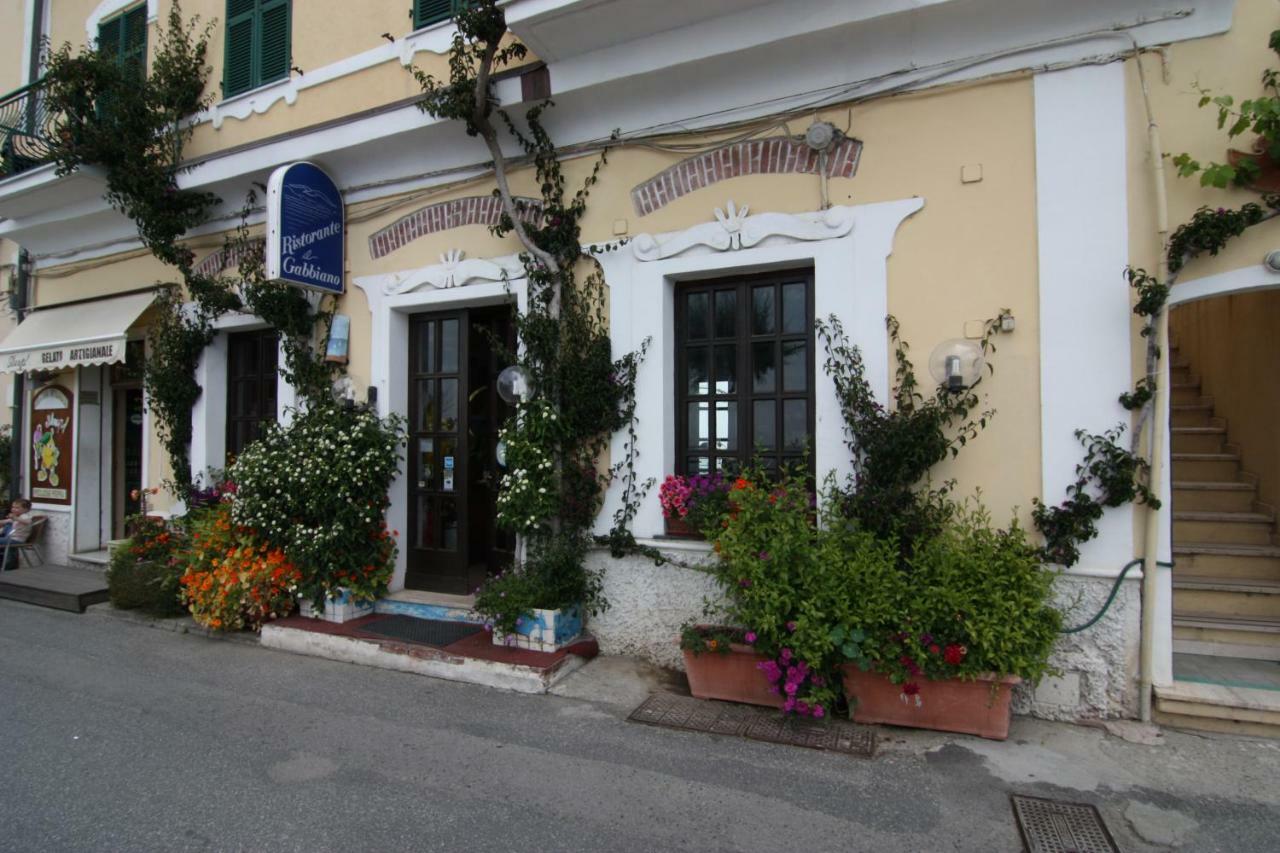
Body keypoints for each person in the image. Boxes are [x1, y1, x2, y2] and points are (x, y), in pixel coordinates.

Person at [0, 498, 34, 571]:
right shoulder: (17, 517)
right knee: (7, 525)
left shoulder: (25, 516)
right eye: (13, 507)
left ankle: (7, 567)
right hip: (11, 539)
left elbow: (28, 522)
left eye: (17, 508)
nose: (14, 509)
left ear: (26, 509)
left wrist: (15, 518)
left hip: (16, 540)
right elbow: (5, 521)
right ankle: (9, 567)